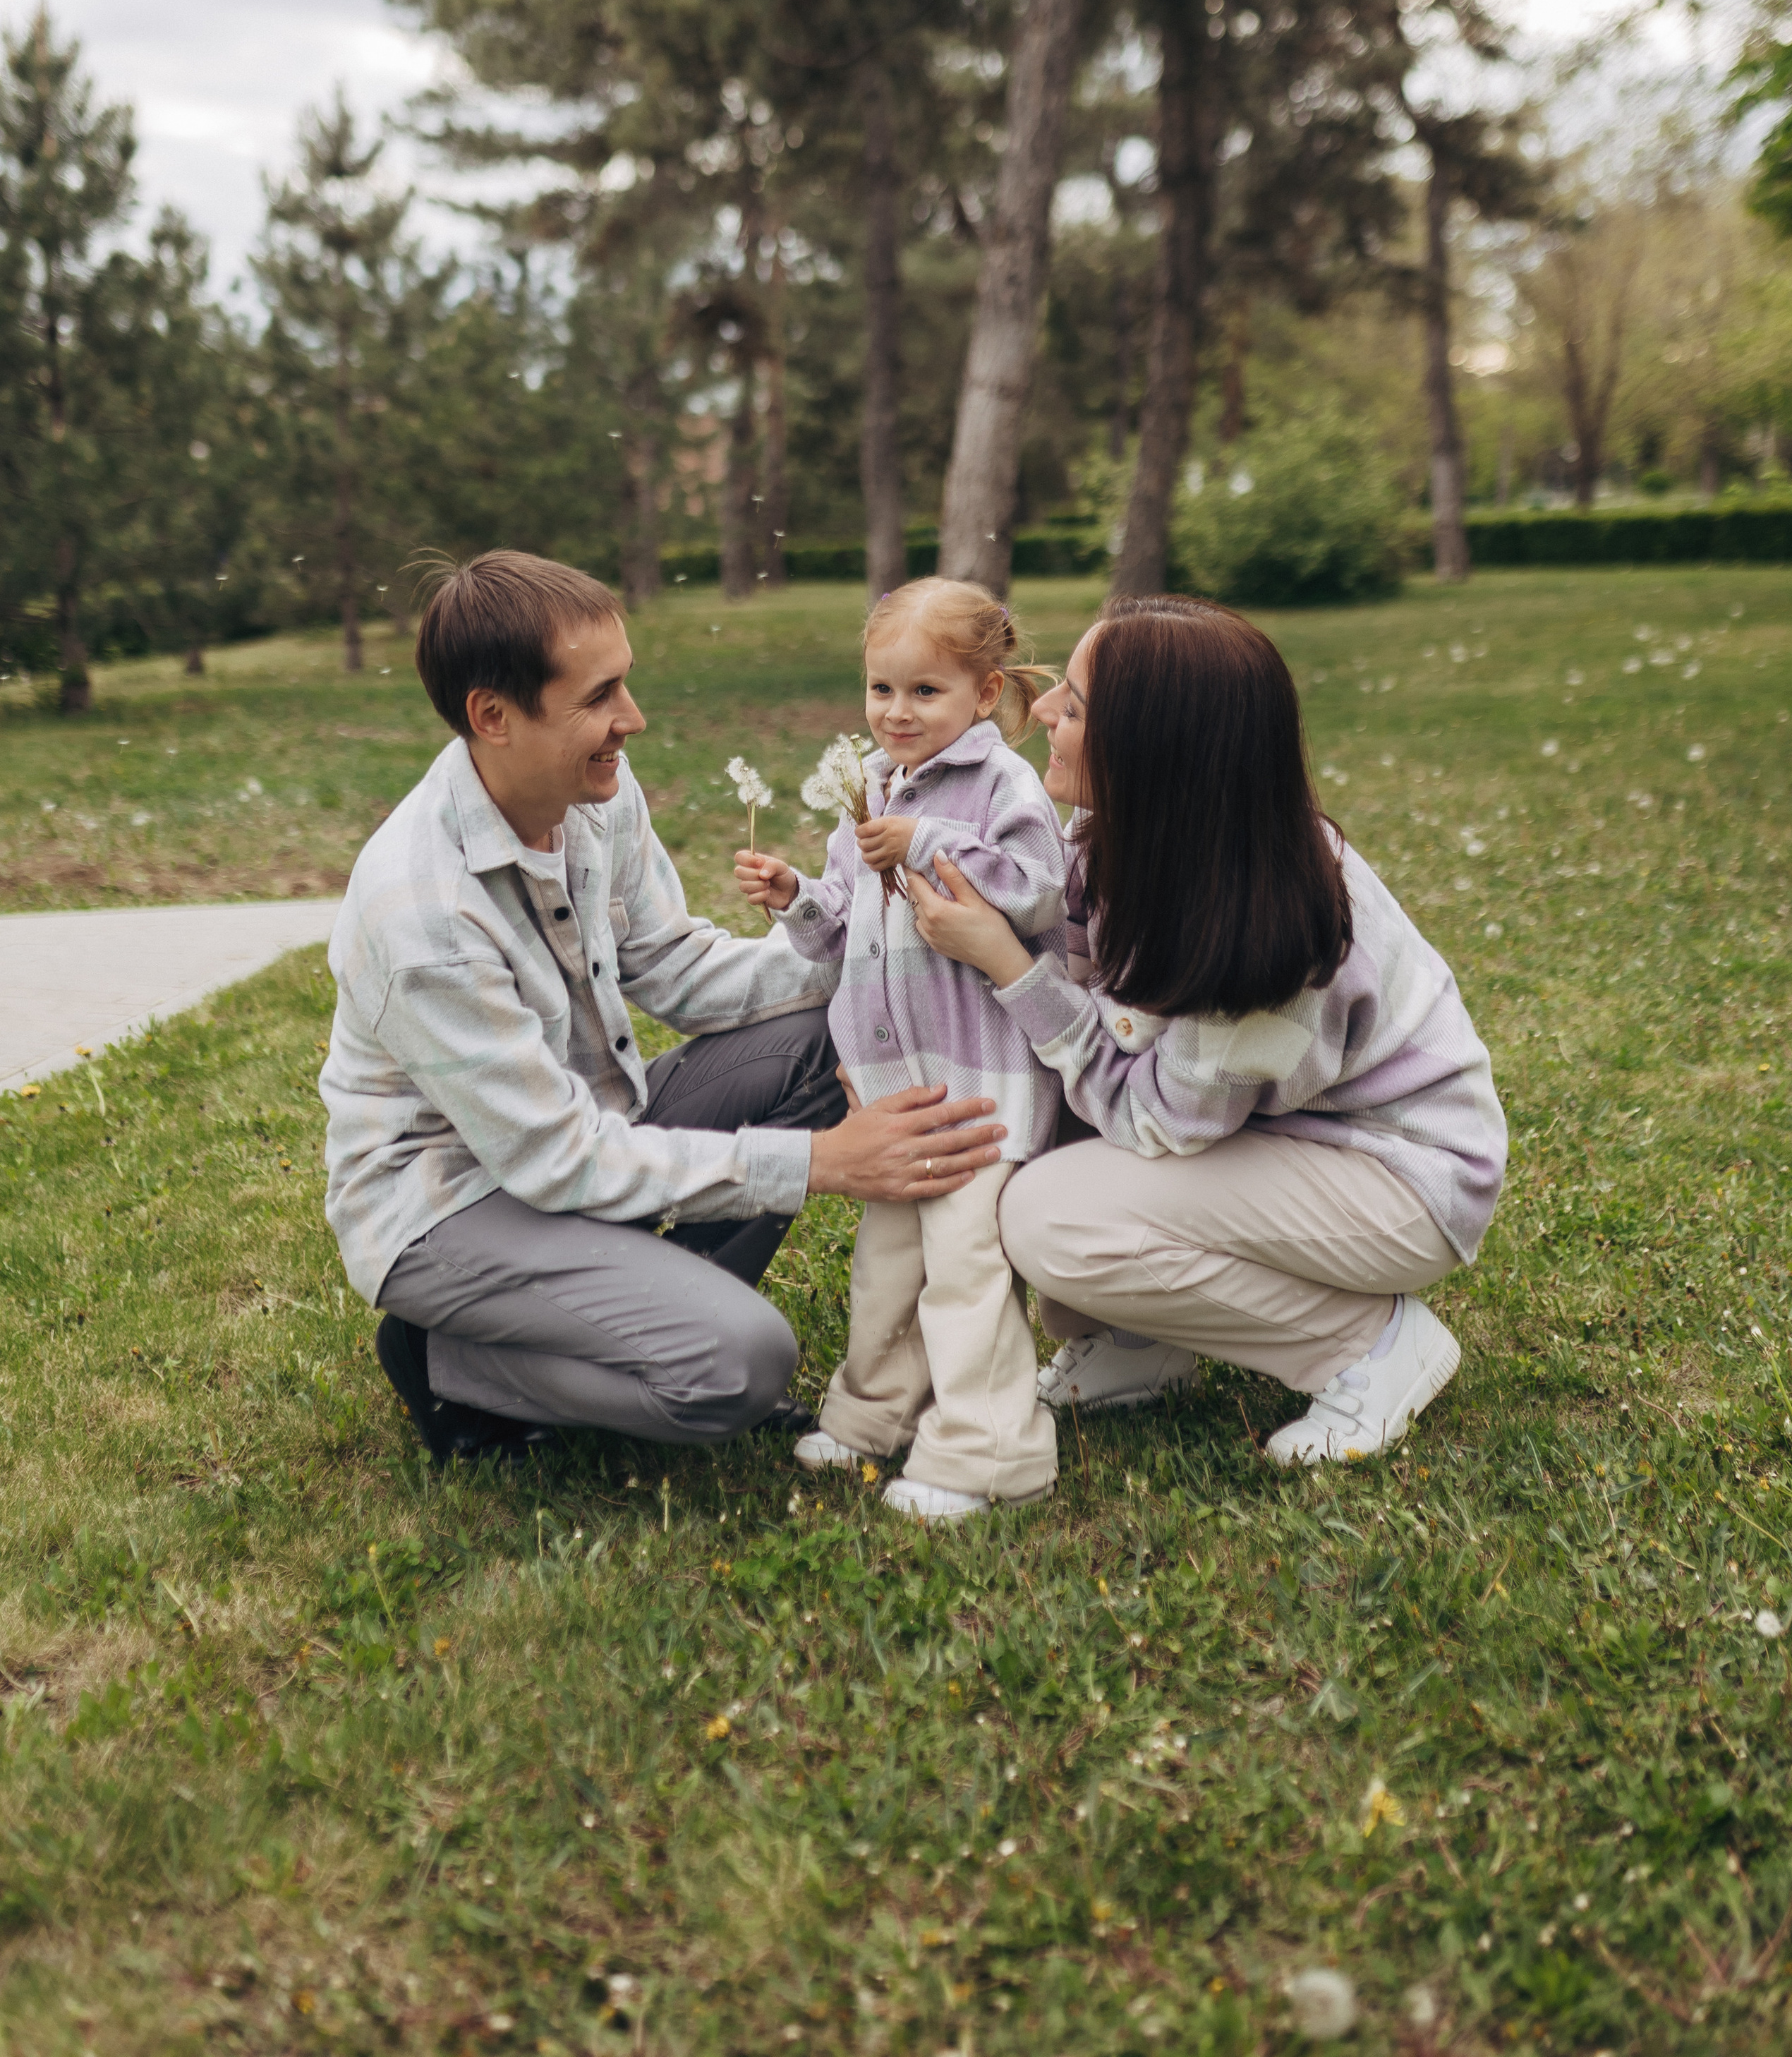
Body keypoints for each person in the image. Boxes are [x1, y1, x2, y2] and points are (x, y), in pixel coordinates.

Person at [320, 550, 1006, 1466]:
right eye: (600, 697)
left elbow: (677, 969)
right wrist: (820, 1162)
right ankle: (448, 1361)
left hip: (585, 1139)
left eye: (626, 686)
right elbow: (555, 1160)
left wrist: (885, 956)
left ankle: (642, 1318)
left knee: (816, 1037)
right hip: (455, 1206)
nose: (632, 721)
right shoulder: (425, 912)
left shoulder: (592, 795)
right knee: (742, 1366)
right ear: (493, 716)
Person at [904, 593, 1507, 1468]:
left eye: (1072, 706)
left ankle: (1365, 1347)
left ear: (1150, 751)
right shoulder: (1135, 836)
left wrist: (1008, 966)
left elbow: (1150, 1118)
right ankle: (1138, 1342)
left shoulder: (1268, 934)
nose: (1038, 713)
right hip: (1277, 1137)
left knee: (1050, 1221)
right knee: (1044, 1099)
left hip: (1397, 1176)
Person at [734, 579, 1067, 1519]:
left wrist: (927, 841)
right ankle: (876, 1417)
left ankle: (990, 1453)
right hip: (895, 1083)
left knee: (966, 1266)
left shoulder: (1005, 787)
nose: (897, 711)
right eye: (882, 690)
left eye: (925, 691)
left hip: (979, 1081)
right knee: (888, 1261)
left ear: (986, 693)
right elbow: (846, 925)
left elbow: (1041, 893)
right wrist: (799, 893)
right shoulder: (874, 786)